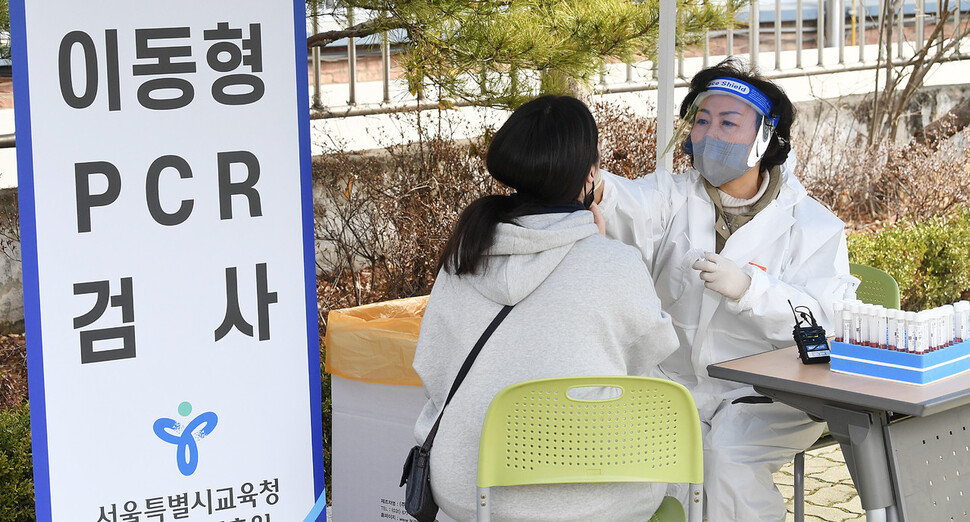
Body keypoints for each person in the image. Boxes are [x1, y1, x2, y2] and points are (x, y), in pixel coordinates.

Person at [595, 58, 859, 521]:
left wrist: (753, 290)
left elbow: (828, 325)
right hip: (675, 384)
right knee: (652, 463)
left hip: (773, 396)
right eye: (701, 120)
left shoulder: (812, 225)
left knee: (726, 460)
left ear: (767, 136)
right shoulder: (671, 195)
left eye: (728, 121)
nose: (709, 133)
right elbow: (624, 204)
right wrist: (592, 183)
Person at [412, 95, 680, 522]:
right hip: (594, 500)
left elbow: (433, 368)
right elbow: (651, 354)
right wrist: (599, 247)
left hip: (470, 492)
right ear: (591, 173)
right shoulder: (613, 262)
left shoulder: (463, 256)